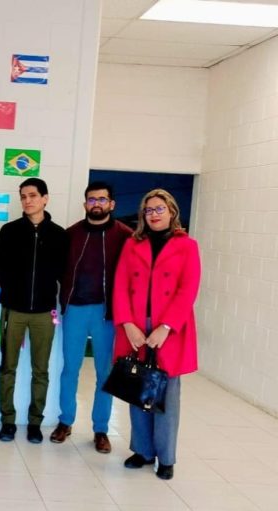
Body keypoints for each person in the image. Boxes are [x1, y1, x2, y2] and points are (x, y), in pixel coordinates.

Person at [113, 189, 201, 480]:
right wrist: (127, 323)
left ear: (172, 211)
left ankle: (166, 458)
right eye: (149, 210)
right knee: (137, 389)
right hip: (136, 326)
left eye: (159, 208)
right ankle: (142, 450)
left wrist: (166, 327)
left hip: (169, 328)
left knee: (167, 396)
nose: (154, 214)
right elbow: (120, 285)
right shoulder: (132, 244)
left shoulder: (187, 246)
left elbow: (188, 289)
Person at [51, 182, 132, 453]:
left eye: (102, 199)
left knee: (104, 373)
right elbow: (59, 270)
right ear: (85, 203)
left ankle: (101, 429)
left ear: (112, 204)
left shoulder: (126, 236)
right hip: (75, 309)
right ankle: (65, 421)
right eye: (91, 200)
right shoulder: (71, 234)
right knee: (70, 369)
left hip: (106, 313)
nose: (96, 204)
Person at [0, 177, 67, 443]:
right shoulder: (9, 231)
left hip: (44, 313)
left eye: (33, 195)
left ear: (45, 199)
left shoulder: (59, 234)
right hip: (14, 310)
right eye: (23, 196)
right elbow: (2, 268)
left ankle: (35, 422)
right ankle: (8, 421)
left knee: (41, 370)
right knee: (7, 368)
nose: (27, 201)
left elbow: (62, 272)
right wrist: (13, 293)